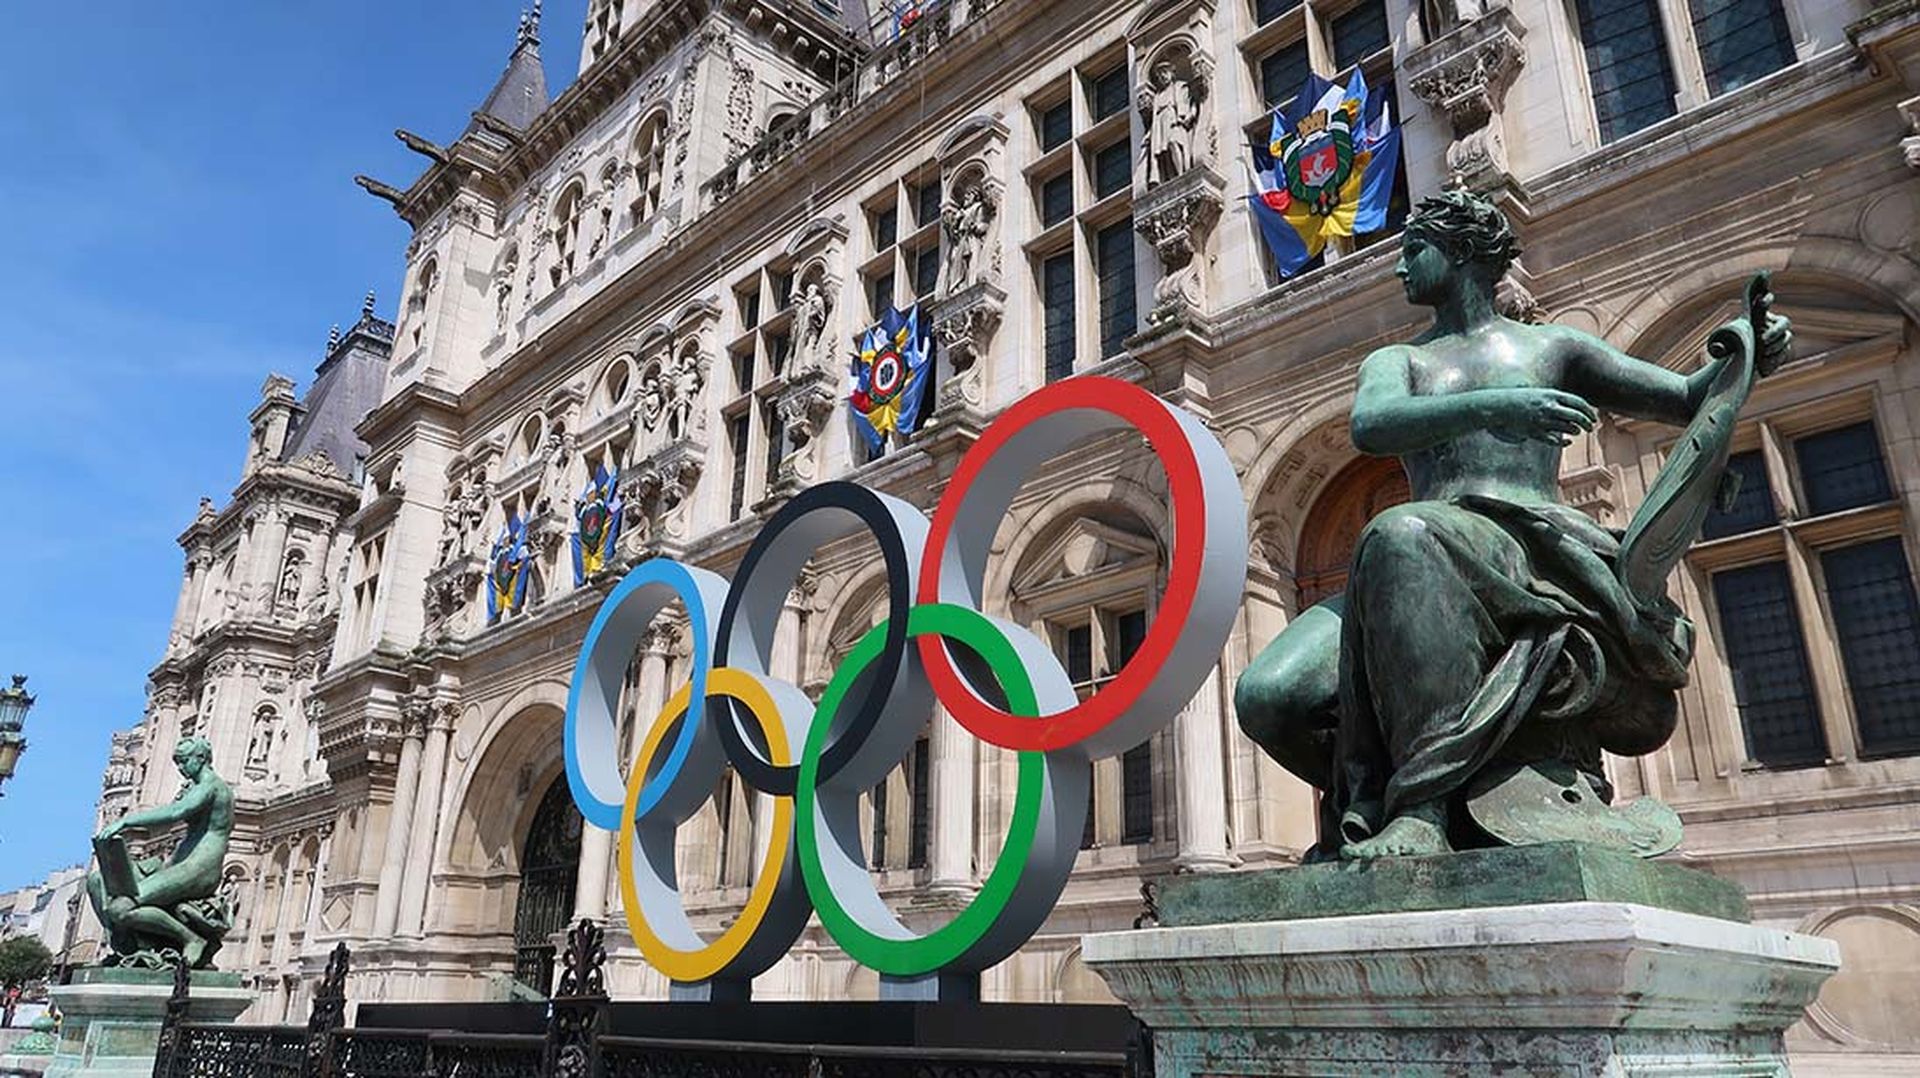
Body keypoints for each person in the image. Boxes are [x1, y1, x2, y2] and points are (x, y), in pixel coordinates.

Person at [1234, 188, 1791, 860]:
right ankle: (1384, 799)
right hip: (1423, 547)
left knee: (1399, 534)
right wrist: (1501, 406)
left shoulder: (1551, 347)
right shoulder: (1398, 362)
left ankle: (1425, 810)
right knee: (1268, 697)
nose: (1398, 268)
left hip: (1527, 548)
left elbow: (1684, 399)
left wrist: (1747, 352)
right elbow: (1371, 425)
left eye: (1413, 250)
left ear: (1461, 252)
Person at [87, 736, 234, 967]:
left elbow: (178, 811)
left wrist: (126, 822)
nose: (181, 768)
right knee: (97, 881)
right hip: (178, 863)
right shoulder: (195, 787)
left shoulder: (211, 786)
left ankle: (190, 939)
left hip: (199, 868)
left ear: (201, 758)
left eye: (184, 761)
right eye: (178, 763)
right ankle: (125, 946)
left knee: (121, 907)